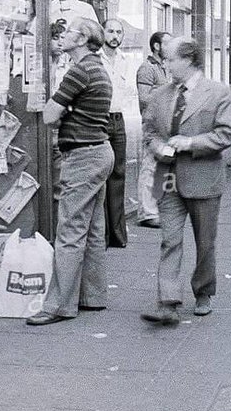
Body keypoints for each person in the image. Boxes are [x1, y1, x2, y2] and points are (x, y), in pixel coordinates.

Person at [141, 38, 231, 325]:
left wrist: (190, 142)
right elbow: (149, 130)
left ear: (189, 59)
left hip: (203, 177)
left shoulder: (219, 92)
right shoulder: (161, 94)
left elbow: (226, 134)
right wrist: (156, 146)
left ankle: (204, 291)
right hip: (167, 176)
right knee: (169, 240)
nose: (165, 64)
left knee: (205, 242)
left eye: (170, 59)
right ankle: (167, 301)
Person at [26, 18, 114, 326]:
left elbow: (50, 115)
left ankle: (58, 306)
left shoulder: (79, 71)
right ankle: (93, 296)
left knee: (70, 231)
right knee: (91, 230)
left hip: (82, 157)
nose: (63, 36)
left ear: (82, 39)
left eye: (69, 32)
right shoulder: (98, 69)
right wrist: (69, 110)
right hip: (100, 152)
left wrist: (63, 109)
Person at [134, 31, 172, 229]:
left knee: (162, 168)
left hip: (165, 126)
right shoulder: (147, 68)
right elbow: (143, 97)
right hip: (152, 126)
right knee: (149, 167)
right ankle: (146, 212)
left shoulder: (166, 68)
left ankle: (156, 208)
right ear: (157, 46)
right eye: (168, 43)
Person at [98, 18, 130, 248]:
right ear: (102, 33)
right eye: (111, 31)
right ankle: (102, 233)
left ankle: (117, 234)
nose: (115, 36)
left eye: (119, 32)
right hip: (99, 119)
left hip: (118, 119)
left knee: (118, 175)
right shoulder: (94, 59)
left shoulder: (124, 60)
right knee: (100, 174)